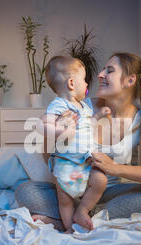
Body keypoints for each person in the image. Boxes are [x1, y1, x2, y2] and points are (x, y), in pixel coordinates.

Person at [16, 52, 141, 231]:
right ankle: (83, 216)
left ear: (129, 81)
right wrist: (58, 136)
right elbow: (49, 154)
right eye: (103, 70)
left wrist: (116, 168)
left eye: (109, 71)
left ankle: (75, 218)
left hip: (108, 192)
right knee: (26, 191)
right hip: (75, 184)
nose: (100, 75)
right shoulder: (80, 108)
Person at [42, 56, 111, 233]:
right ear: (72, 83)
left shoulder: (84, 106)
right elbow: (45, 124)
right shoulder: (58, 105)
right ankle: (68, 228)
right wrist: (61, 131)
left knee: (101, 180)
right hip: (66, 162)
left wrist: (98, 116)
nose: (87, 83)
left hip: (86, 160)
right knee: (64, 199)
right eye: (84, 79)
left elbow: (87, 124)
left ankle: (82, 211)